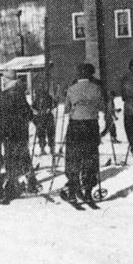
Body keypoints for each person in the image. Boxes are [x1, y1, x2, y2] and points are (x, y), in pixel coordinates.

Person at [0, 78, 37, 204]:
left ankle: (0, 190)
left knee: (0, 163)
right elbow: (28, 114)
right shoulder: (19, 97)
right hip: (15, 135)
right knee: (13, 161)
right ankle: (12, 188)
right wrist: (35, 120)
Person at [62, 63, 106, 203]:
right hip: (91, 126)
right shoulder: (96, 88)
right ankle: (88, 190)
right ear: (91, 74)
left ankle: (73, 190)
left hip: (75, 125)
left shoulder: (71, 89)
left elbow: (67, 109)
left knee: (73, 157)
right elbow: (102, 106)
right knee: (90, 157)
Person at [32, 89, 57, 156]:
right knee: (41, 133)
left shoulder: (49, 97)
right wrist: (37, 112)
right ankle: (43, 149)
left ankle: (51, 149)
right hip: (41, 117)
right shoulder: (37, 99)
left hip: (47, 117)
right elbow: (33, 107)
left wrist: (50, 108)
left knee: (50, 133)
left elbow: (55, 104)